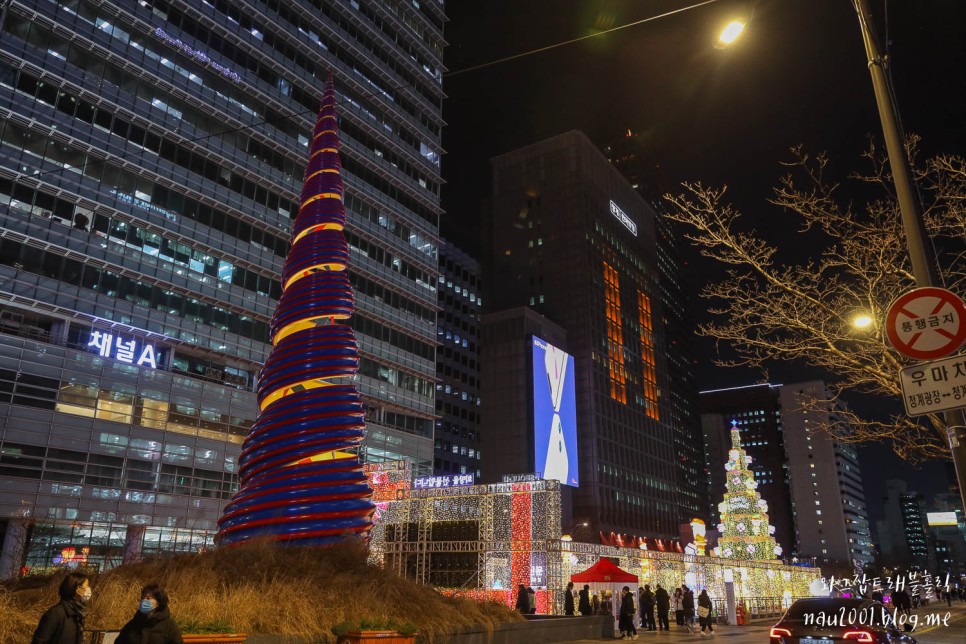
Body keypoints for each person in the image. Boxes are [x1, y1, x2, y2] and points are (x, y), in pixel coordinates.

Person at [32, 572, 91, 644]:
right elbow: (39, 641)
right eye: (87, 586)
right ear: (77, 589)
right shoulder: (55, 614)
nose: (89, 590)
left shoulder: (78, 614)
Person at [116, 583, 183, 644]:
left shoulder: (169, 626)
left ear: (157, 603)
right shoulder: (132, 625)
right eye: (143, 598)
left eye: (148, 598)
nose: (144, 601)